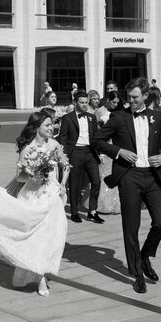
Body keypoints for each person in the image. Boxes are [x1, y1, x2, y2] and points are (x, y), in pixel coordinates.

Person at [0, 111, 69, 297]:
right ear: (36, 127)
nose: (51, 128)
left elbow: (66, 165)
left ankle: (41, 273)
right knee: (33, 237)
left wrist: (62, 185)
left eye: (51, 124)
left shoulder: (54, 145)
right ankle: (39, 276)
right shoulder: (27, 149)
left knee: (50, 236)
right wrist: (32, 174)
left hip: (51, 196)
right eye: (47, 125)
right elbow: (19, 176)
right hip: (31, 195)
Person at [92, 77, 161, 294]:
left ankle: (145, 255)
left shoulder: (156, 117)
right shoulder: (118, 117)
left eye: (135, 97)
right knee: (131, 227)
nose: (130, 101)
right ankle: (137, 273)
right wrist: (119, 152)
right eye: (128, 97)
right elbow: (97, 140)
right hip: (129, 177)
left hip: (152, 176)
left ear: (145, 96)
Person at [58, 91, 103, 224]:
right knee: (74, 183)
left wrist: (100, 153)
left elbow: (96, 136)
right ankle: (74, 212)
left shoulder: (91, 117)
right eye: (81, 103)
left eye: (86, 103)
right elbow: (63, 137)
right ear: (75, 103)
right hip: (75, 152)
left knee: (96, 181)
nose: (84, 105)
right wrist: (64, 154)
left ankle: (92, 211)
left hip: (90, 152)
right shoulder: (67, 118)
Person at [94, 91, 121, 215]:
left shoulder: (118, 112)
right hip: (105, 146)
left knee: (115, 173)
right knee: (104, 174)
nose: (115, 104)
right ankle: (103, 205)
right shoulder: (99, 112)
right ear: (108, 100)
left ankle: (115, 204)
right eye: (113, 102)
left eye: (117, 102)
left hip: (116, 145)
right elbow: (96, 132)